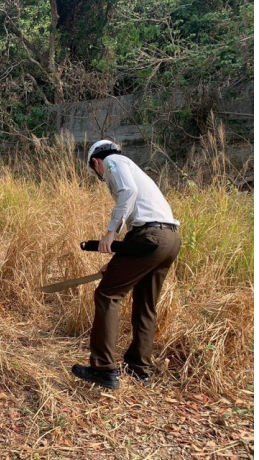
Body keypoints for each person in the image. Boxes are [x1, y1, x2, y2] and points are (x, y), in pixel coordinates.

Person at [71, 139, 182, 390]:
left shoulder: (113, 162)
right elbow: (137, 227)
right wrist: (115, 262)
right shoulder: (131, 166)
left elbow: (128, 192)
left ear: (95, 163)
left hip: (150, 237)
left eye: (95, 172)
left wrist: (109, 233)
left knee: (107, 294)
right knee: (145, 304)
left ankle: (103, 369)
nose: (100, 175)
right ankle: (138, 368)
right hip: (169, 239)